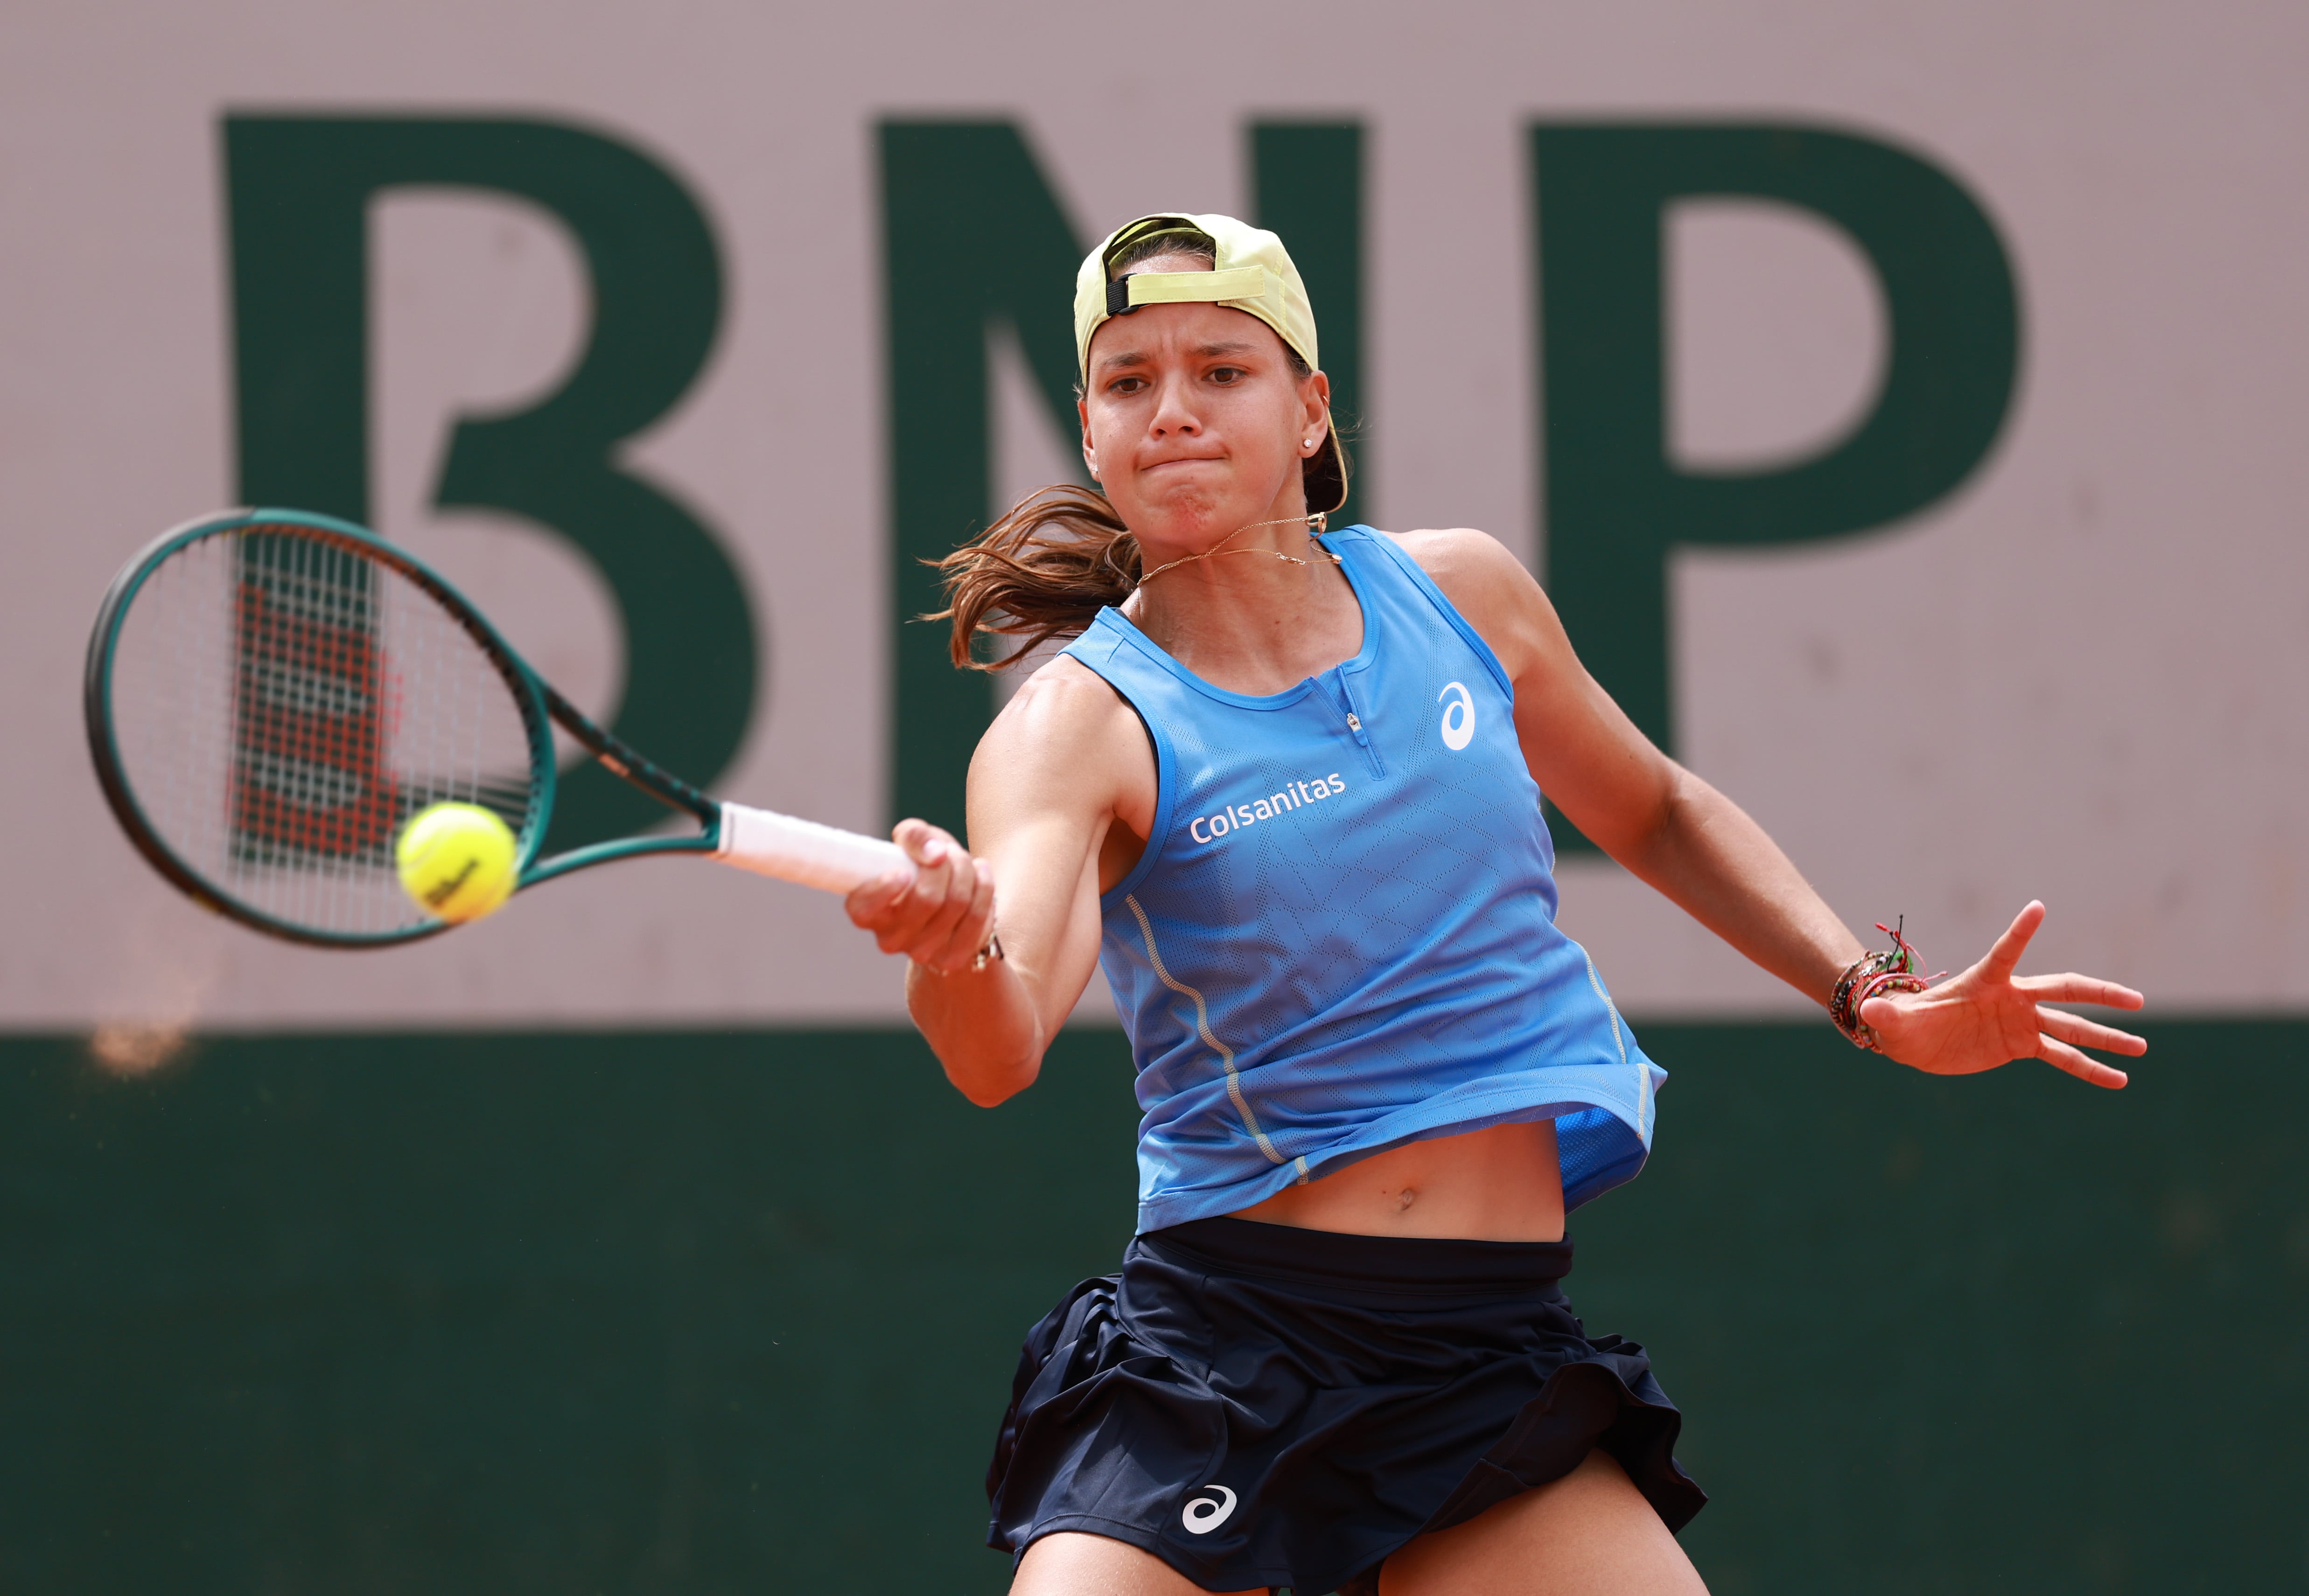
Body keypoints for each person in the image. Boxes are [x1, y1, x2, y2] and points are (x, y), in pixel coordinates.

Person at [845, 213, 2146, 1596]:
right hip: (1224, 1355)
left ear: (1308, 410)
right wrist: (946, 952)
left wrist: (1869, 993)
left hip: (1481, 1357)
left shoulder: (1458, 593)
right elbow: (998, 1045)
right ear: (1092, 433)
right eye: (1127, 382)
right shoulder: (1076, 728)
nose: (1171, 411)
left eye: (1221, 370)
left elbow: (1651, 808)